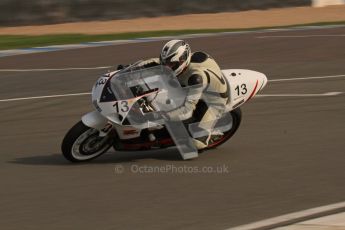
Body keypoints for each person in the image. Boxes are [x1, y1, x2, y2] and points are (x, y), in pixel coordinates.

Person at [129, 40, 230, 149]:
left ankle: (212, 134)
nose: (167, 66)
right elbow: (155, 62)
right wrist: (130, 69)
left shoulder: (196, 78)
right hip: (190, 88)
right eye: (166, 63)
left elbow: (187, 109)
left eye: (171, 64)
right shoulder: (175, 62)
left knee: (197, 144)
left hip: (212, 101)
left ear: (182, 60)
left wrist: (161, 116)